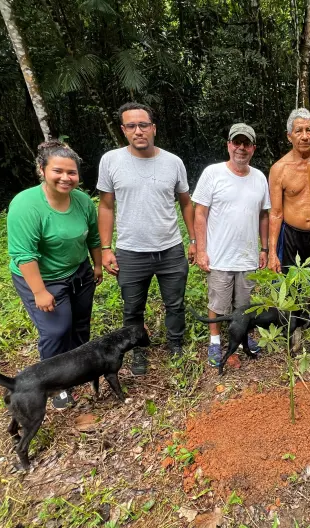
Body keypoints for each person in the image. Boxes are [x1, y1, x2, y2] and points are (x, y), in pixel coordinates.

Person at [97, 102, 196, 376]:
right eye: (131, 126)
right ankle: (137, 350)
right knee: (132, 307)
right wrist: (106, 248)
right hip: (130, 251)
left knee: (175, 303)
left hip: (170, 248)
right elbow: (106, 205)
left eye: (143, 125)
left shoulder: (173, 162)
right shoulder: (111, 161)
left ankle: (175, 344)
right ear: (123, 130)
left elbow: (186, 203)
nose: (138, 131)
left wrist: (194, 241)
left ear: (153, 128)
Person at [7, 140, 102, 409]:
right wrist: (39, 291)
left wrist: (96, 265)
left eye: (71, 172)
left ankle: (76, 371)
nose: (66, 178)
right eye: (58, 171)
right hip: (42, 278)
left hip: (79, 272)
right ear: (42, 169)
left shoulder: (82, 200)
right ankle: (54, 384)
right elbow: (24, 255)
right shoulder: (27, 205)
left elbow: (93, 236)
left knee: (80, 326)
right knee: (56, 330)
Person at [193, 123, 271, 367]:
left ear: (253, 148)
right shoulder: (213, 173)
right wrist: (201, 250)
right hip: (219, 256)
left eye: (246, 143)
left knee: (245, 304)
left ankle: (244, 337)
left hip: (247, 256)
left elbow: (264, 215)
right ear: (228, 145)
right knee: (218, 303)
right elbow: (200, 213)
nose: (241, 148)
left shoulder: (259, 177)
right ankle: (215, 342)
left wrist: (265, 248)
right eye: (236, 142)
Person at [268, 108, 310, 276]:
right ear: (289, 136)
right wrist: (272, 252)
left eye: (309, 130)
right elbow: (275, 213)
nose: (305, 136)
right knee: (289, 289)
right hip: (290, 235)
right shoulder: (279, 169)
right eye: (299, 131)